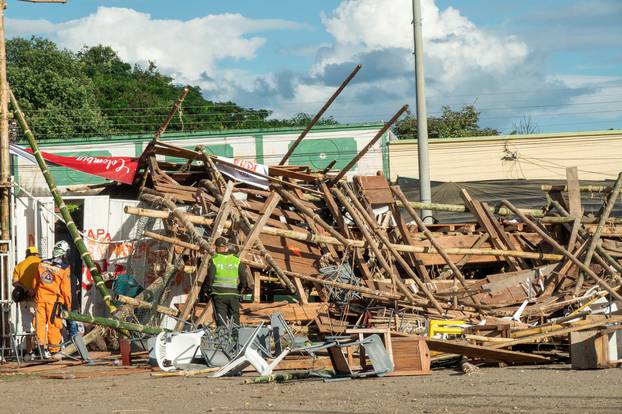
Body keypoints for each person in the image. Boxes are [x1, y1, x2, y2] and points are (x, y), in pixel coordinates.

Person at [35, 240, 72, 358]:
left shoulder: (42, 263)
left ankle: (40, 347)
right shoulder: (64, 268)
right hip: (54, 301)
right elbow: (66, 289)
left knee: (39, 323)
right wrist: (68, 305)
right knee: (54, 324)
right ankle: (54, 350)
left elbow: (35, 282)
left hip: (40, 298)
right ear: (64, 253)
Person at [200, 237, 248, 327]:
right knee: (235, 319)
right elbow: (243, 276)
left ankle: (222, 339)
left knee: (221, 319)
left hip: (219, 295)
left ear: (216, 247)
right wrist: (241, 289)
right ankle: (235, 338)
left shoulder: (214, 260)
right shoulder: (236, 260)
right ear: (226, 246)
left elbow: (210, 277)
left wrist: (206, 290)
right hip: (233, 294)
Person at [12, 246, 41, 360]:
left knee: (27, 327)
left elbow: (15, 282)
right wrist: (33, 290)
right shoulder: (41, 263)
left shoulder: (19, 265)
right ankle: (42, 350)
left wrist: (25, 289)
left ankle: (29, 353)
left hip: (24, 300)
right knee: (40, 325)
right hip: (38, 299)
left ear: (27, 254)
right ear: (36, 254)